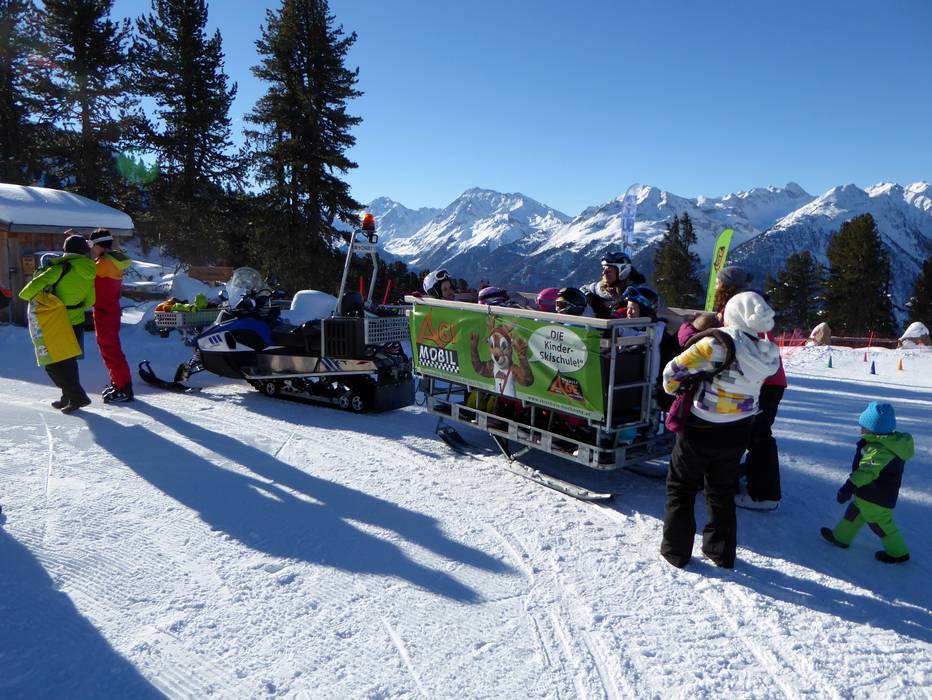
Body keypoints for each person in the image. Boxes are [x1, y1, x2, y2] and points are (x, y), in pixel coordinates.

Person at [659, 291, 781, 569]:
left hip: (701, 426)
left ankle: (676, 551)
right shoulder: (765, 351)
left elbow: (672, 374)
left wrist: (677, 390)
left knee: (681, 487)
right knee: (721, 491)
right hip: (739, 429)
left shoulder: (718, 343)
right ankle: (721, 552)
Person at [821, 401, 913, 564]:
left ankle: (898, 553)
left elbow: (866, 472)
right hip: (867, 494)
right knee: (854, 513)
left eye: (863, 427)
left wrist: (849, 486)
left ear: (873, 430)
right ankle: (841, 537)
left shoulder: (880, 451)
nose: (861, 430)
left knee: (880, 524)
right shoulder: (883, 443)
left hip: (876, 496)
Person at [18, 234, 96, 414]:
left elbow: (26, 293)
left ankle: (78, 397)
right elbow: (91, 300)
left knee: (53, 363)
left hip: (57, 320)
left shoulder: (59, 268)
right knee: (69, 361)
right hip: (77, 320)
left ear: (66, 250)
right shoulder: (90, 271)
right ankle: (68, 396)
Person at [88, 228, 134, 403]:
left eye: (91, 245)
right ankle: (119, 383)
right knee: (111, 349)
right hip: (110, 310)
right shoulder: (114, 259)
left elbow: (85, 273)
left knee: (110, 351)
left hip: (104, 312)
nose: (91, 249)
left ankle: (123, 388)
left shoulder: (103, 264)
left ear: (97, 245)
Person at [582, 252, 646, 318]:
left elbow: (648, 306)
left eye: (609, 271)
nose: (604, 273)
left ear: (622, 272)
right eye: (603, 269)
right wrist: (590, 298)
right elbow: (582, 289)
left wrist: (627, 304)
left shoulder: (635, 292)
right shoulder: (598, 288)